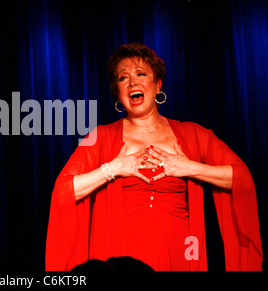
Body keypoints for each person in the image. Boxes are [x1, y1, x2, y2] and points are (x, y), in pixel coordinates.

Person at [45, 42, 263, 271]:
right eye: (123, 78)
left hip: (180, 252)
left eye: (141, 74)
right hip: (120, 254)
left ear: (158, 85)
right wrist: (113, 168)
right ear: (117, 91)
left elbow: (242, 178)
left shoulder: (193, 134)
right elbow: (64, 191)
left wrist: (188, 167)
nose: (132, 82)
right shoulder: (100, 137)